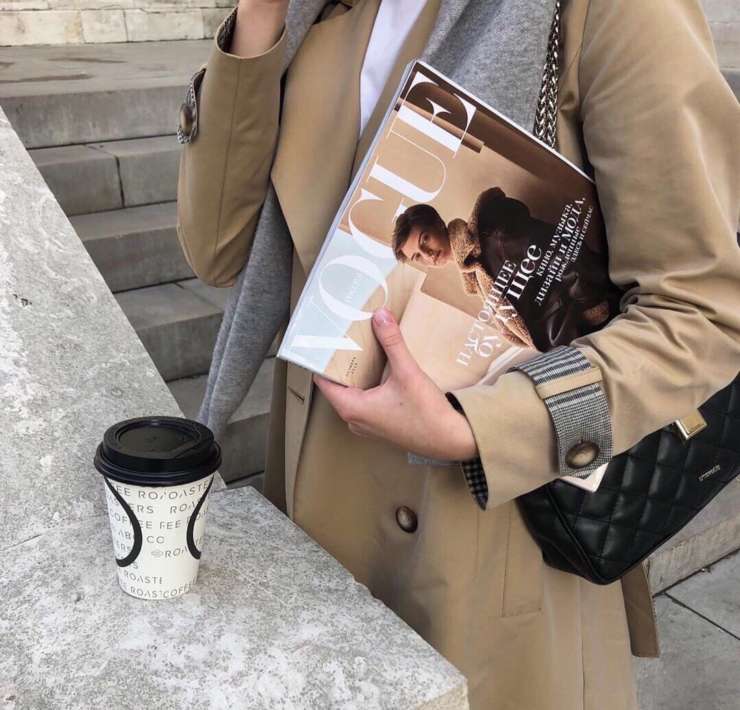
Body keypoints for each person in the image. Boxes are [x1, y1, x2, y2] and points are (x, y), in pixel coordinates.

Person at [176, 1, 740, 708]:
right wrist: (260, 19)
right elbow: (216, 249)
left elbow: (702, 312)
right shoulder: (319, 12)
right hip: (315, 502)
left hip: (486, 531)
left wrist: (482, 428)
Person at [392, 190, 622, 351]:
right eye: (418, 256)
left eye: (425, 240)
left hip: (597, 325)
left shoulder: (493, 238)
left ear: (437, 223)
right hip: (575, 341)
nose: (428, 255)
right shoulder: (475, 270)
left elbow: (564, 253)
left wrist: (593, 310)